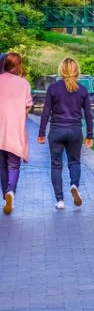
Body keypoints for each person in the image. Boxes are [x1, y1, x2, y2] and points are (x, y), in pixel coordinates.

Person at [38, 58, 93, 210]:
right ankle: (74, 185)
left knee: (56, 166)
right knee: (74, 162)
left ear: (61, 70)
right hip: (75, 131)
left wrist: (41, 132)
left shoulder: (53, 89)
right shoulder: (82, 90)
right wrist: (90, 135)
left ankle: (60, 201)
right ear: (77, 71)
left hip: (57, 131)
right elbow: (88, 114)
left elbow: (45, 113)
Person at [0, 53, 33, 215]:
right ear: (18, 65)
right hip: (15, 131)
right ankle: (10, 192)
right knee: (13, 165)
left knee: (2, 166)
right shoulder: (24, 84)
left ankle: (6, 199)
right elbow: (27, 107)